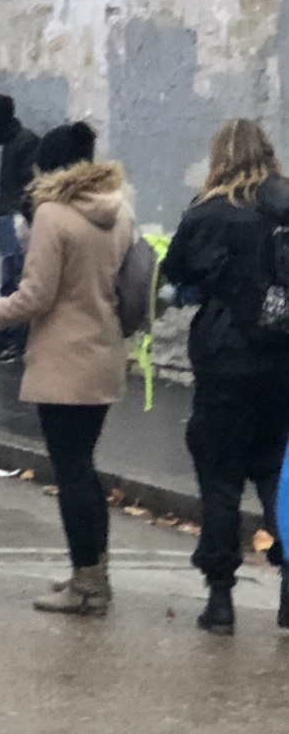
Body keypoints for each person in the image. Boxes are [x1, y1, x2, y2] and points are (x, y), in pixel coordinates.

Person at [0, 121, 132, 616]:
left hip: (63, 363)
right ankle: (93, 573)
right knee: (85, 467)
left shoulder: (53, 215)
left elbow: (35, 296)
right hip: (102, 355)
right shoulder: (119, 212)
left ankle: (87, 586)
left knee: (72, 471)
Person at [162, 119, 289, 636]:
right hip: (282, 363)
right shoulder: (286, 206)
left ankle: (220, 599)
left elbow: (176, 271)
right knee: (278, 478)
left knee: (219, 480)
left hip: (224, 364)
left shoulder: (208, 212)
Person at [0, 94, 39, 363]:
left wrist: (21, 216)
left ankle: (16, 341)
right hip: (8, 219)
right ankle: (4, 338)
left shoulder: (25, 142)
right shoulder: (13, 141)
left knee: (17, 282)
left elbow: (30, 187)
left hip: (18, 222)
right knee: (8, 281)